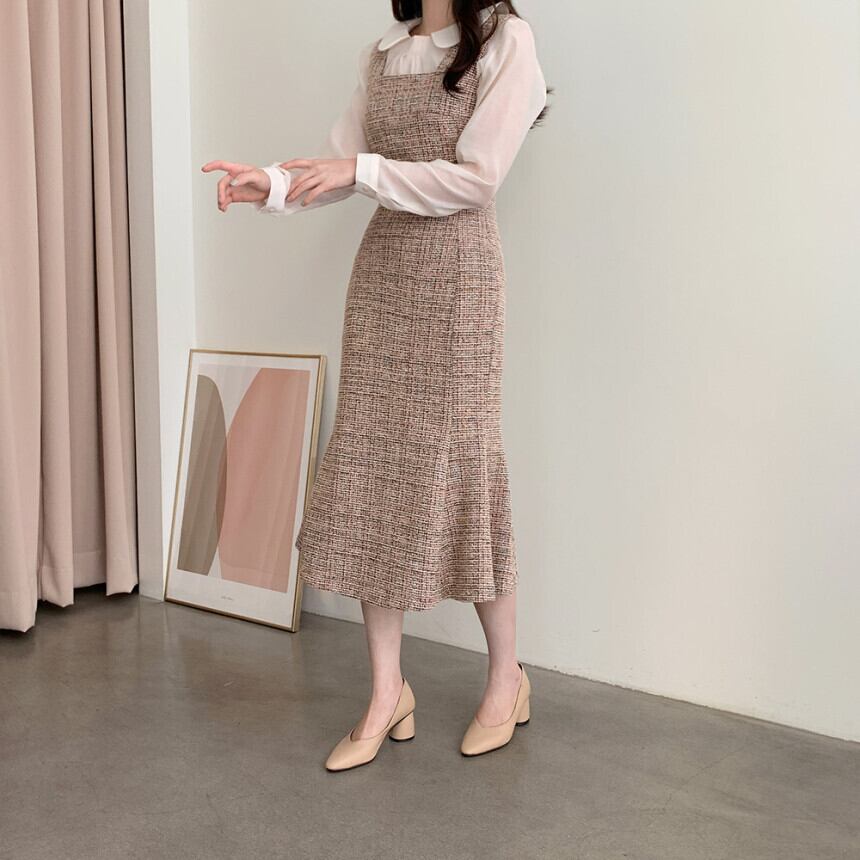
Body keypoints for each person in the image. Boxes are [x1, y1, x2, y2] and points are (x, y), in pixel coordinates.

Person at [201, 0, 548, 772]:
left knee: (465, 467)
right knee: (371, 469)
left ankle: (507, 677)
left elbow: (477, 181)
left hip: (459, 279)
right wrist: (273, 185)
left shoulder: (508, 41)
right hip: (385, 275)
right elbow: (339, 162)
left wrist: (359, 172)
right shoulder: (385, 53)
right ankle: (387, 690)